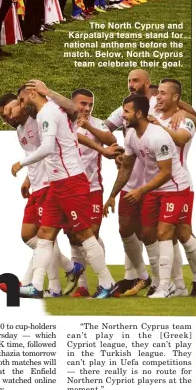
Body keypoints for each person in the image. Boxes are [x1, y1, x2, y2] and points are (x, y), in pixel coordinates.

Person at [12, 80, 115, 299]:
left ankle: (107, 282)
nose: (21, 105)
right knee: (45, 234)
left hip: (70, 182)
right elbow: (72, 110)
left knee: (84, 234)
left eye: (22, 100)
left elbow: (48, 147)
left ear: (32, 94)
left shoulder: (47, 113)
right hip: (57, 183)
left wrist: (21, 163)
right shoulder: (50, 111)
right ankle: (37, 286)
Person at [103, 95, 191, 298]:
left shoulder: (158, 136)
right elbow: (126, 168)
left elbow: (166, 173)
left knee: (163, 233)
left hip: (175, 188)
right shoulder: (131, 134)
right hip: (154, 189)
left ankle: (165, 287)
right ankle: (163, 283)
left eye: (126, 111)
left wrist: (141, 190)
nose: (122, 116)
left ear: (139, 113)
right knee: (147, 234)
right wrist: (112, 195)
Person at [0, 93, 80, 297]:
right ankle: (69, 268)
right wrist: (28, 179)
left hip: (49, 185)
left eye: (8, 112)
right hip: (36, 186)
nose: (6, 118)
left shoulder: (39, 119)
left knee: (45, 238)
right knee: (28, 235)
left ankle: (43, 285)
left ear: (20, 105)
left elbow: (48, 150)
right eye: (2, 116)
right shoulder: (20, 129)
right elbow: (33, 154)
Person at [152, 79, 196, 296]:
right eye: (158, 93)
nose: (158, 97)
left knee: (181, 233)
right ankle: (179, 285)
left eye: (163, 93)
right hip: (157, 185)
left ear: (175, 97)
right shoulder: (156, 111)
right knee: (169, 235)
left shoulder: (184, 120)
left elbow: (181, 139)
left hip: (179, 185)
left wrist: (185, 113)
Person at [69, 88, 116, 296]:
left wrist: (87, 124)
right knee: (75, 237)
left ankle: (104, 283)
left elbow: (110, 139)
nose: (87, 108)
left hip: (92, 189)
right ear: (72, 104)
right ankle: (83, 286)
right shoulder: (62, 123)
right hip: (70, 190)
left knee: (91, 235)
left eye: (90, 104)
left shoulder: (97, 123)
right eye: (83, 104)